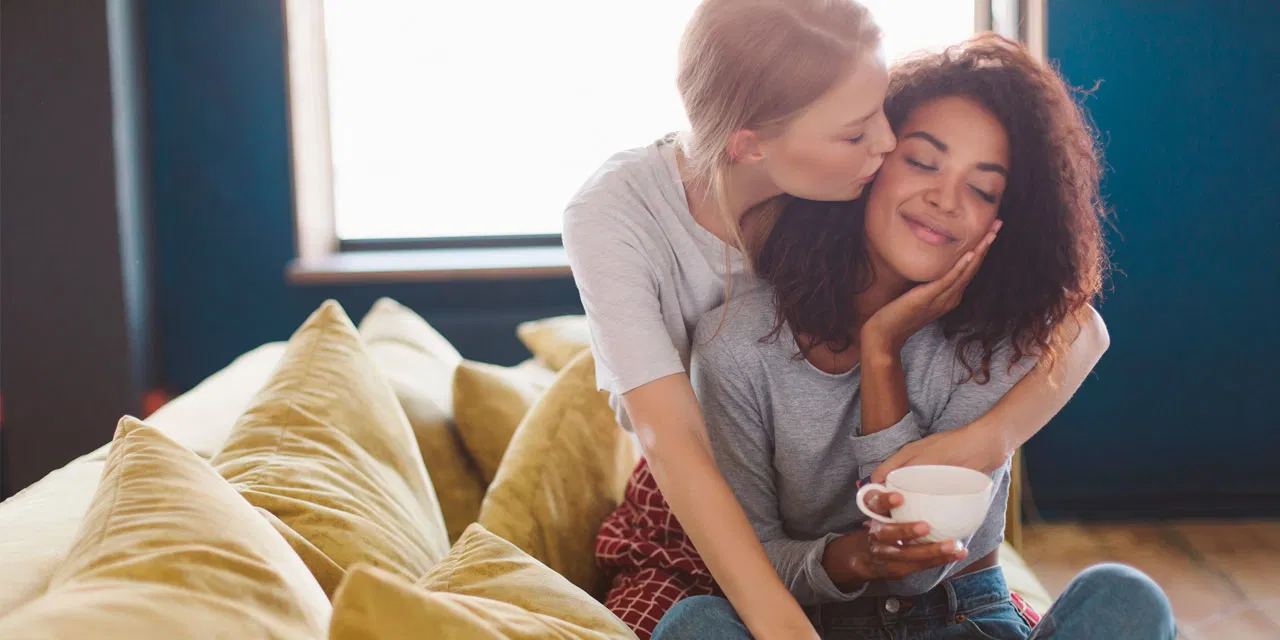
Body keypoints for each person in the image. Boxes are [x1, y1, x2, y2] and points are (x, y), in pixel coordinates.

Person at [561, 1, 1108, 637]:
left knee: (1116, 597)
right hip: (698, 488)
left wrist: (983, 439)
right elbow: (673, 441)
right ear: (751, 146)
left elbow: (1082, 326)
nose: (884, 141)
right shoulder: (630, 219)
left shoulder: (846, 185)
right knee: (692, 623)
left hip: (900, 566)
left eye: (882, 108)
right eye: (857, 134)